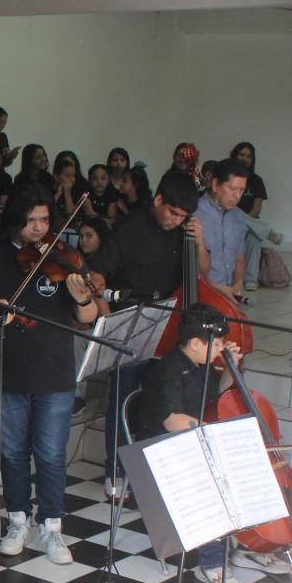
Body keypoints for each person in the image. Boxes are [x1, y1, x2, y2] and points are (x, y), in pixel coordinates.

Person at [0, 186, 101, 564]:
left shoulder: (63, 259)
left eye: (44, 220)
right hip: (5, 373)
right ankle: (17, 521)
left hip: (55, 372)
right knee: (12, 453)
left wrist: (82, 296)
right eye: (31, 220)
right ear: (15, 220)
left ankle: (52, 526)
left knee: (52, 454)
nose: (39, 228)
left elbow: (88, 317)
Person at [91, 171, 203, 495]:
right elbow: (95, 275)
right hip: (131, 320)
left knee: (164, 399)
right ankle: (117, 470)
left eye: (183, 217)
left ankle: (161, 470)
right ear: (158, 199)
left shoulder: (184, 231)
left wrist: (199, 241)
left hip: (171, 324)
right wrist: (108, 321)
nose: (176, 221)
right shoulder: (128, 229)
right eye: (172, 213)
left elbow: (202, 274)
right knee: (124, 397)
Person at [135, 310, 245, 583]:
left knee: (241, 466)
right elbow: (172, 421)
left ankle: (245, 543)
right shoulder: (169, 371)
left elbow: (215, 398)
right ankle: (211, 564)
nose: (221, 348)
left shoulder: (201, 364)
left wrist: (231, 368)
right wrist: (213, 434)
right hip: (158, 448)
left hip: (189, 440)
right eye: (217, 344)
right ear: (196, 343)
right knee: (211, 480)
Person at [194, 157, 250, 305]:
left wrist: (238, 282)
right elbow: (189, 270)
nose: (237, 196)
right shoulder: (195, 213)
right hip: (200, 296)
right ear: (215, 185)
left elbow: (239, 259)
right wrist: (217, 289)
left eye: (242, 190)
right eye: (232, 189)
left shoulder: (239, 217)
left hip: (228, 296)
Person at [229, 141, 284, 291]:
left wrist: (243, 223)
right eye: (242, 155)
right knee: (234, 212)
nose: (245, 159)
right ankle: (268, 231)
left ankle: (250, 279)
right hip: (227, 219)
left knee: (255, 235)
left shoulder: (256, 180)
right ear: (234, 156)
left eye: (249, 156)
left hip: (250, 221)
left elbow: (257, 209)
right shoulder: (227, 177)